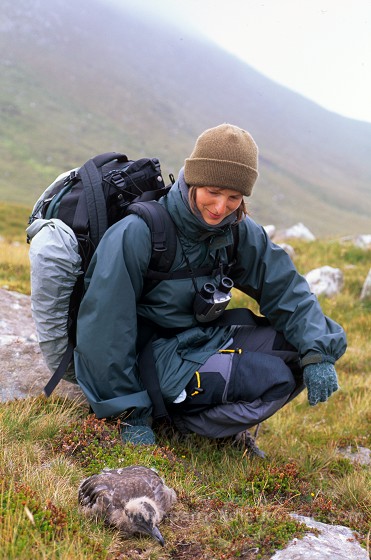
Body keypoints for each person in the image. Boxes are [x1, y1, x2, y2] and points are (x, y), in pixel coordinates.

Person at [74, 123, 347, 451]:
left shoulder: (237, 231)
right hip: (149, 359)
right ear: (193, 180)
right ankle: (174, 422)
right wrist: (128, 414)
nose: (220, 208)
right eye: (212, 193)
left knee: (307, 348)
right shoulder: (139, 233)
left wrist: (317, 352)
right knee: (271, 377)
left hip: (196, 342)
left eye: (234, 197)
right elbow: (105, 333)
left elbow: (287, 289)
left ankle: (207, 426)